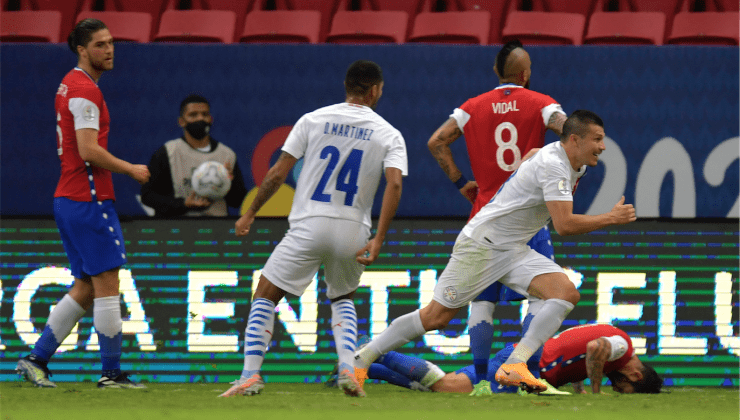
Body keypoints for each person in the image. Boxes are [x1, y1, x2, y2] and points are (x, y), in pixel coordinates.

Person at [354, 110, 637, 395]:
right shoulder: (554, 164)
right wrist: (611, 218)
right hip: (482, 246)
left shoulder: (567, 160)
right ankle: (360, 359)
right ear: (575, 140)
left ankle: (515, 364)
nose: (602, 146)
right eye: (597, 139)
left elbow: (533, 156)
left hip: (512, 248)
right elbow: (563, 225)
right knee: (435, 317)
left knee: (565, 292)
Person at [219, 60, 407, 398]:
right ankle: (348, 369)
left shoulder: (313, 119)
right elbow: (394, 185)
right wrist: (378, 237)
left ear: (347, 86)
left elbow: (278, 172)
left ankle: (250, 375)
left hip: (309, 223)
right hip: (354, 228)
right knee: (343, 297)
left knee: (265, 294)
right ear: (375, 90)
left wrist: (250, 212)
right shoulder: (388, 133)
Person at [427, 39, 568, 395]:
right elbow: (569, 131)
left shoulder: (471, 107)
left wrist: (461, 182)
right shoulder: (541, 103)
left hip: (485, 215)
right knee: (543, 297)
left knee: (482, 301)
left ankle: (479, 382)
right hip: (527, 219)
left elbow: (436, 142)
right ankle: (529, 375)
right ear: (525, 74)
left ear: (496, 72)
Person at [15, 18, 150, 389]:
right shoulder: (85, 90)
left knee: (87, 286)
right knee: (107, 283)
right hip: (88, 198)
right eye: (100, 45)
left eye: (110, 43)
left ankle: (35, 359)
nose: (109, 50)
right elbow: (89, 151)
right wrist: (131, 170)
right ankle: (111, 374)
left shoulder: (69, 85)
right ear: (82, 49)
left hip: (69, 197)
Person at [364, 321, 663, 395]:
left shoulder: (617, 348)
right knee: (448, 386)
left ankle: (369, 370)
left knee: (439, 389)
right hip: (525, 365)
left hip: (525, 360)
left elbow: (576, 352)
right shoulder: (622, 346)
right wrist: (594, 392)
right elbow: (595, 349)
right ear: (635, 376)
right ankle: (370, 350)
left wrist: (579, 384)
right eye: (623, 389)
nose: (616, 388)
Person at [140, 94, 248, 217]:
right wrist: (183, 204)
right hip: (178, 229)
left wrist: (229, 184)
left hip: (217, 228)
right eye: (193, 115)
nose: (200, 119)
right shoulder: (167, 153)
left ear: (211, 119)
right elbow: (148, 196)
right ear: (181, 121)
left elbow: (238, 202)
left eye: (205, 114)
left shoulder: (227, 155)